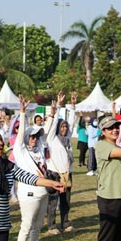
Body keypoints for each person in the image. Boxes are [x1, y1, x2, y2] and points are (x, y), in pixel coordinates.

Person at [12, 95, 52, 241]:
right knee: (26, 224)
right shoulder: (20, 150)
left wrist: (53, 115)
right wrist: (22, 113)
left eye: (37, 137)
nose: (35, 139)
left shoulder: (40, 148)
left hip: (43, 191)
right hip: (28, 194)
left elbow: (48, 131)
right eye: (32, 136)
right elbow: (21, 134)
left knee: (38, 224)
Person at [45, 92, 75, 232]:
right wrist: (58, 106)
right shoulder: (52, 138)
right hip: (54, 174)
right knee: (53, 201)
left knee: (66, 201)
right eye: (61, 127)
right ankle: (51, 225)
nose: (64, 129)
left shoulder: (68, 140)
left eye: (65, 127)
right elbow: (53, 124)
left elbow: (72, 123)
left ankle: (65, 223)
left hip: (67, 173)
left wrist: (73, 107)